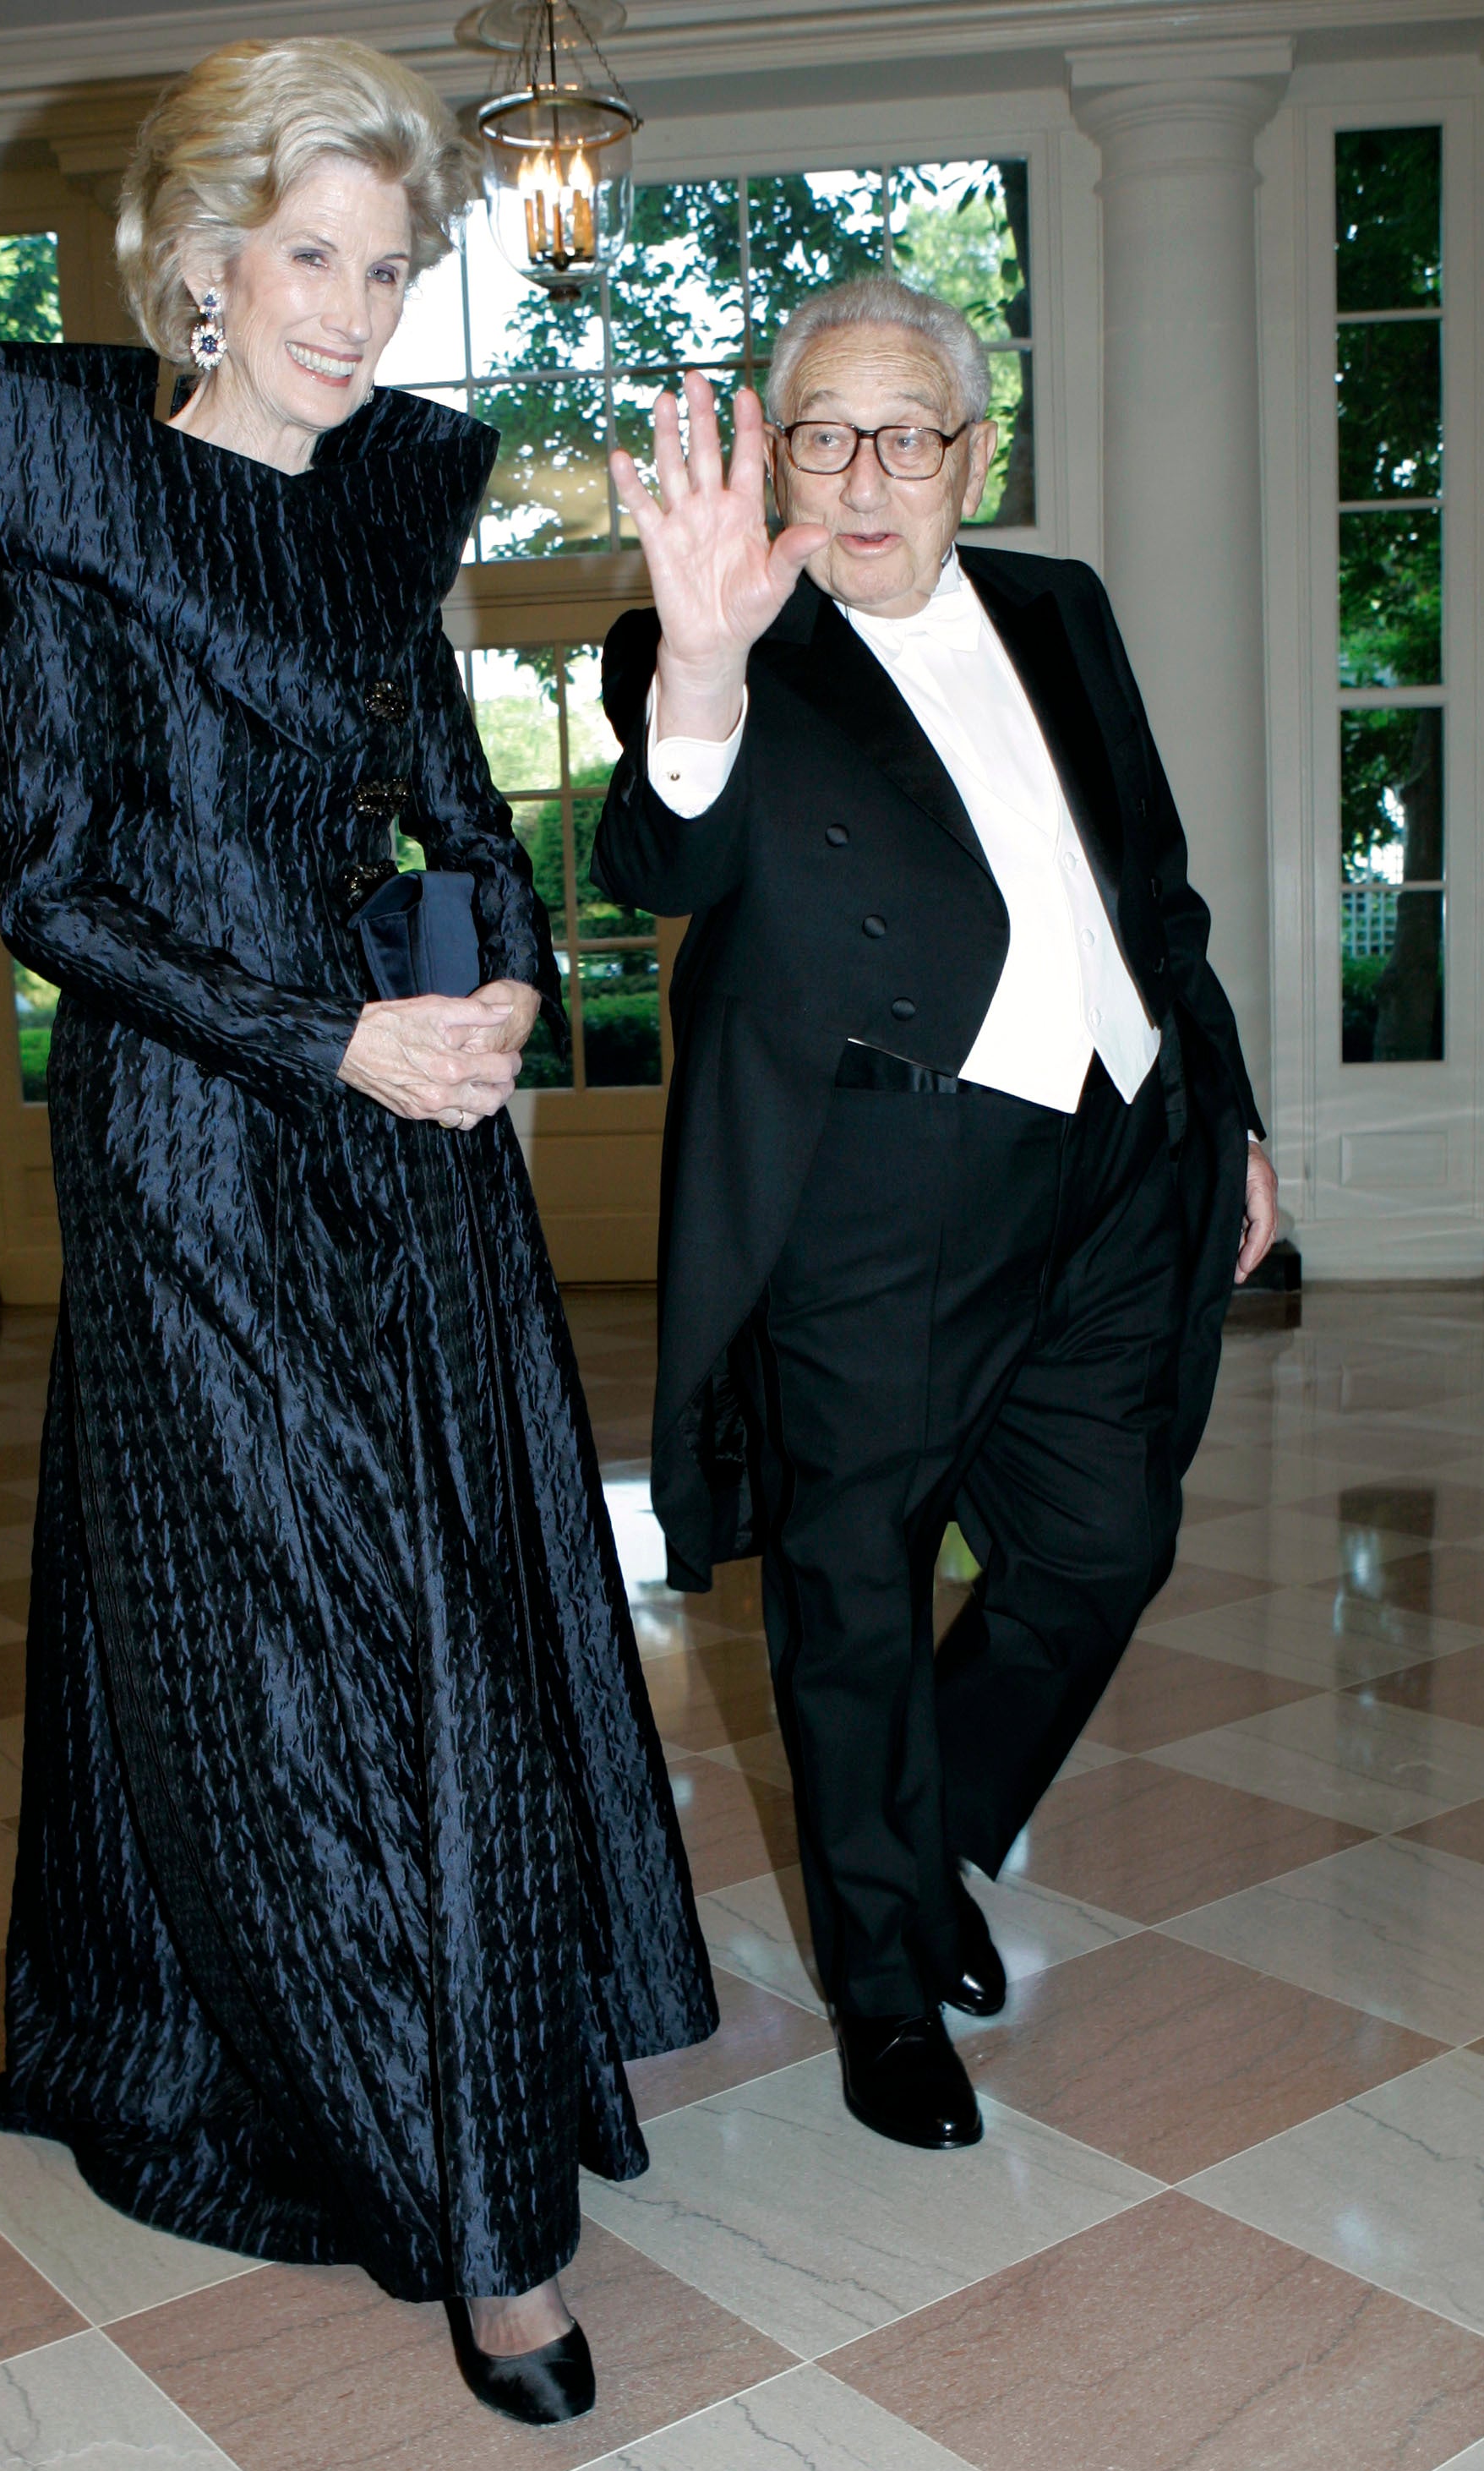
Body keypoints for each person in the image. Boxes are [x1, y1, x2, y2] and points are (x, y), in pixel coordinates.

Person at [0, 35, 714, 2426]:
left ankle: (481, 2064)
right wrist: (321, 1036)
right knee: (299, 1644)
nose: (352, 312)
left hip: (407, 1114)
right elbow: (48, 873)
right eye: (309, 258)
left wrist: (487, 983)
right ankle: (473, 2230)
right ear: (197, 257)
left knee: (450, 1604)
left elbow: (448, 795)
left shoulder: (393, 501)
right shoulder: (61, 490)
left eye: (387, 264)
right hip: (195, 1147)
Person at [593, 275, 1277, 2154]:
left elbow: (1154, 896)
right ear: (772, 448)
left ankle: (928, 1843)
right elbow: (652, 848)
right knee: (853, 1599)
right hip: (879, 1192)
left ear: (974, 454)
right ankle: (883, 1983)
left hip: (1117, 1159)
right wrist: (707, 665)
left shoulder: (1059, 607)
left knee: (1095, 1549)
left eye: (910, 433)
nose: (868, 473)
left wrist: (1226, 1119)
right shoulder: (709, 637)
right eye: (823, 431)